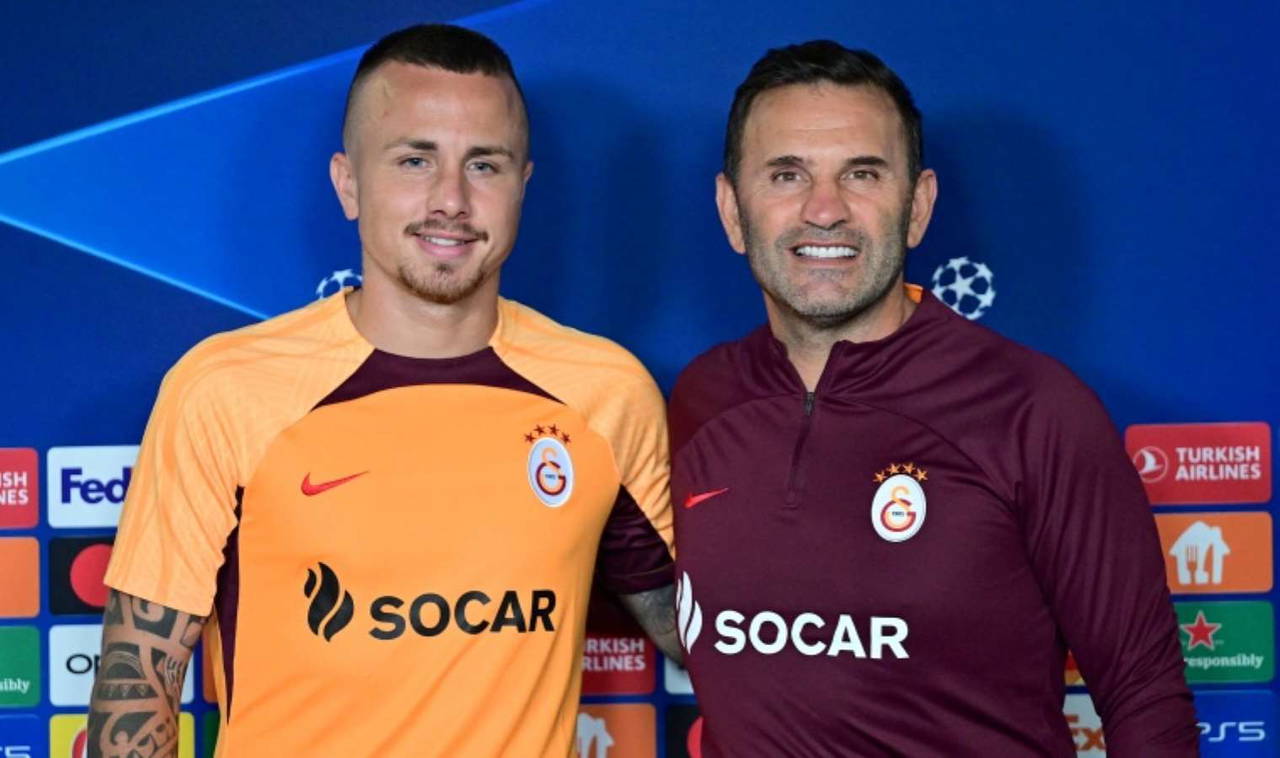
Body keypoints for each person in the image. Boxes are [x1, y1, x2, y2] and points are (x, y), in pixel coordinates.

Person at [89, 24, 679, 758]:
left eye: (484, 165)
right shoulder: (226, 390)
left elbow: (707, 638)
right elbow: (138, 684)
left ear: (522, 186)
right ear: (348, 184)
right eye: (414, 161)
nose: (451, 200)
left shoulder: (607, 393)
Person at [669, 40, 1197, 756]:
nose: (824, 210)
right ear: (732, 211)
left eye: (862, 174)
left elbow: (1145, 695)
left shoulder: (1032, 410)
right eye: (787, 174)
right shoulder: (699, 400)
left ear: (917, 207)